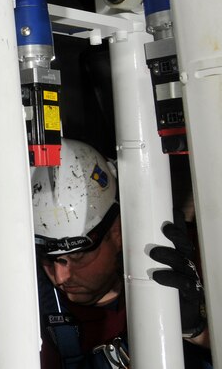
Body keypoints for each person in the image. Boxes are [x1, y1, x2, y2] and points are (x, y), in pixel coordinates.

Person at [32, 138, 212, 368]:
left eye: (77, 256)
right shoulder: (28, 306)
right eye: (49, 258)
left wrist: (201, 333)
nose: (59, 277)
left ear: (116, 231)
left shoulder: (196, 259)